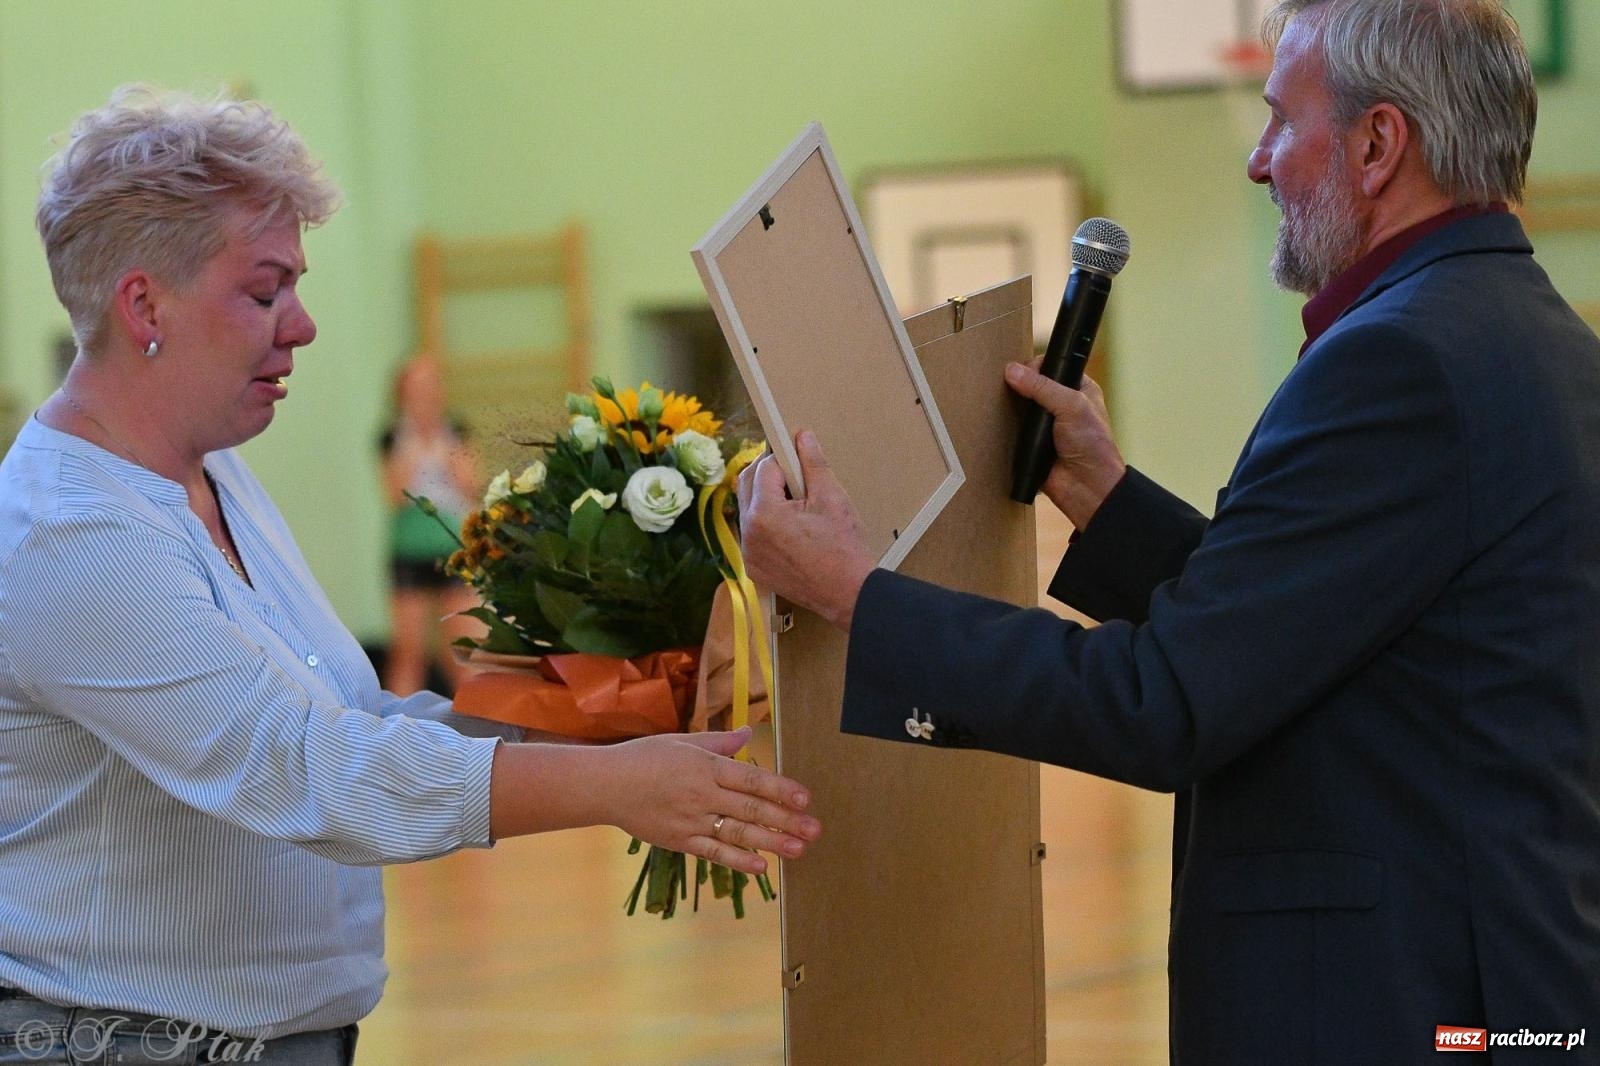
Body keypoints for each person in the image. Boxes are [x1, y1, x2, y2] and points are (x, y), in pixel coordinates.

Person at [740, 1, 1600, 1061]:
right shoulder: (1524, 332)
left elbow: (1162, 703)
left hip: (1401, 1001)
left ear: (1379, 145)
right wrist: (1107, 500)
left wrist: (856, 595)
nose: (1258, 160)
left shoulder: (1403, 360)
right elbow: (1323, 643)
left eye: (1282, 121)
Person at [0, 87, 819, 1065]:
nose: (301, 325)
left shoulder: (210, 467)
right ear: (144, 303)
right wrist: (608, 785)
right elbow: (300, 766)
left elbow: (354, 712)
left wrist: (602, 712)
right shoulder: (68, 532)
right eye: (265, 291)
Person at [378, 355, 479, 695]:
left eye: (430, 385)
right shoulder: (393, 437)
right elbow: (395, 494)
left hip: (453, 549)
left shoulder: (455, 432)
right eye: (416, 387)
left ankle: (475, 721)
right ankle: (397, 727)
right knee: (410, 651)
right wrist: (415, 443)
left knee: (463, 650)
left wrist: (442, 444)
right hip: (411, 551)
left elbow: (470, 485)